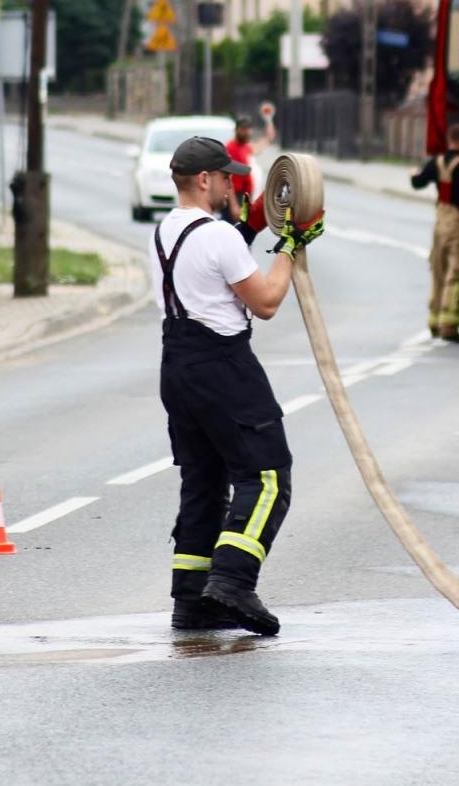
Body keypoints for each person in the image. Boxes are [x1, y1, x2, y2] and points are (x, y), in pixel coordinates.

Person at [152, 136, 323, 637]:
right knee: (267, 476)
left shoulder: (166, 231)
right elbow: (266, 301)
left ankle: (191, 600)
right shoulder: (218, 237)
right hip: (223, 366)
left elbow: (212, 262)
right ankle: (231, 581)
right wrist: (290, 245)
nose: (234, 183)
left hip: (177, 367)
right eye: (227, 177)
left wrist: (247, 225)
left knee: (203, 479)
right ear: (205, 181)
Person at [410, 122, 459, 342]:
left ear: (448, 139)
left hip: (440, 221)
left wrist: (413, 173)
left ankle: (434, 320)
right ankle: (449, 323)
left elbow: (417, 183)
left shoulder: (435, 163)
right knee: (457, 271)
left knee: (438, 268)